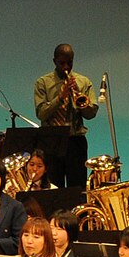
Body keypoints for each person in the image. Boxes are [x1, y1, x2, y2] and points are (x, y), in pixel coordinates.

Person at [33, 44, 96, 188]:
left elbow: (91, 114)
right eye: (62, 63)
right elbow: (41, 113)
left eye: (70, 62)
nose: (66, 67)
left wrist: (79, 99)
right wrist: (61, 97)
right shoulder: (43, 82)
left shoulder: (83, 81)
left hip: (75, 140)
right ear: (54, 61)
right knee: (53, 186)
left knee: (77, 187)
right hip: (51, 141)